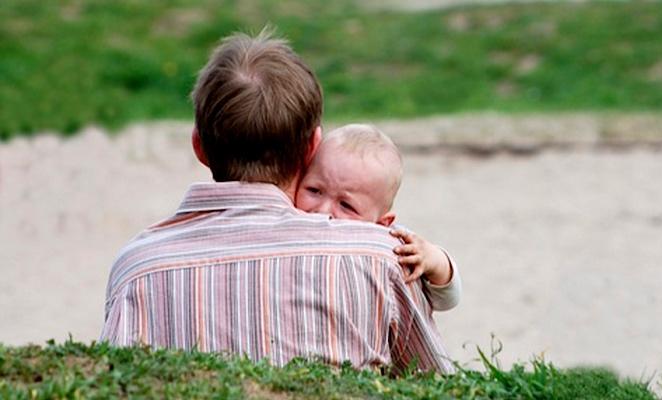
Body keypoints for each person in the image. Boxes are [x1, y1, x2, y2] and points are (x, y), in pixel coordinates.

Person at [100, 29, 454, 374]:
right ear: (312, 148)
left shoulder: (137, 269)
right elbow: (435, 381)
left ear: (199, 147)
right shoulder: (380, 259)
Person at [295, 123, 461, 311]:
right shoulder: (286, 222)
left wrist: (434, 260)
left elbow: (447, 300)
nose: (323, 211)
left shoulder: (397, 246)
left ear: (381, 224)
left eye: (346, 205)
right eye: (314, 190)